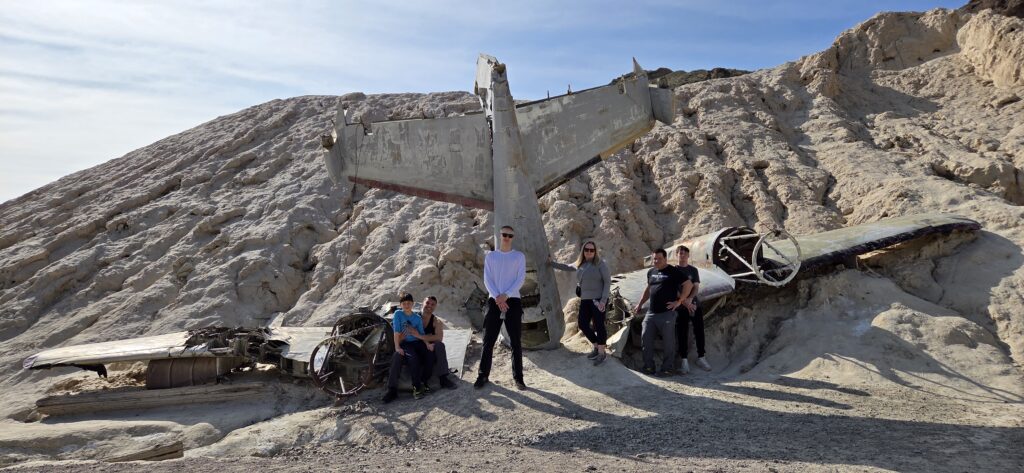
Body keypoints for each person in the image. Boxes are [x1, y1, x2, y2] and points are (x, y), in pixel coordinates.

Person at [475, 225, 527, 390]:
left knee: (516, 342)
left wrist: (506, 295)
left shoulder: (519, 256)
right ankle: (482, 376)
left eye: (510, 235)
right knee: (488, 340)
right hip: (494, 300)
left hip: (513, 300)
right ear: (500, 235)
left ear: (513, 237)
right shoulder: (491, 256)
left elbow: (520, 279)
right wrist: (498, 297)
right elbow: (487, 279)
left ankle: (518, 378)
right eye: (504, 234)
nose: (507, 238)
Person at [550, 241, 612, 366]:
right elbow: (566, 267)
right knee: (583, 324)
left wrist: (603, 301)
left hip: (598, 300)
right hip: (585, 300)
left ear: (595, 252)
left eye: (592, 250)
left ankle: (601, 353)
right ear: (583, 251)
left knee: (599, 325)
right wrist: (551, 263)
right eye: (586, 250)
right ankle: (596, 346)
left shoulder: (600, 264)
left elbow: (607, 282)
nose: (589, 252)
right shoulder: (580, 264)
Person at [632, 248, 691, 376]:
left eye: (659, 258)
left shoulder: (673, 272)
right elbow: (648, 289)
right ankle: (649, 367)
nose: (656, 261)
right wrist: (640, 304)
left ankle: (667, 368)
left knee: (668, 342)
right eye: (654, 258)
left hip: (667, 313)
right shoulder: (651, 272)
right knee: (646, 339)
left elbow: (688, 285)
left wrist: (680, 301)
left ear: (665, 259)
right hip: (651, 313)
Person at [381, 292, 431, 403]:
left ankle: (425, 382)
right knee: (411, 358)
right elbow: (396, 332)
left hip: (417, 342)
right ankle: (414, 388)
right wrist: (397, 347)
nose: (406, 305)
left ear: (412, 304)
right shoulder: (398, 314)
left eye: (409, 303)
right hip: (405, 343)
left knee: (429, 355)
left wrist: (427, 344)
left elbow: (421, 334)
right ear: (400, 305)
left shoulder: (417, 318)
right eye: (404, 303)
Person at [402, 295, 458, 389]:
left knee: (439, 345)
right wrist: (427, 338)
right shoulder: (412, 317)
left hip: (428, 348)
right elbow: (406, 332)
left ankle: (443, 378)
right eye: (427, 303)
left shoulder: (437, 321)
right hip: (414, 347)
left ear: (435, 307)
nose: (429, 306)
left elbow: (439, 338)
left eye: (432, 304)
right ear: (422, 304)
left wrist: (419, 336)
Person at [675, 245, 712, 374]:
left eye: (685, 253)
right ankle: (684, 360)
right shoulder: (673, 271)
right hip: (680, 305)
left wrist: (690, 299)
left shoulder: (693, 270)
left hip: (694, 303)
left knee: (699, 329)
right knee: (682, 330)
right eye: (680, 253)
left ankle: (701, 357)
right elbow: (674, 290)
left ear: (688, 256)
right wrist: (685, 302)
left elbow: (695, 287)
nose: (682, 255)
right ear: (677, 255)